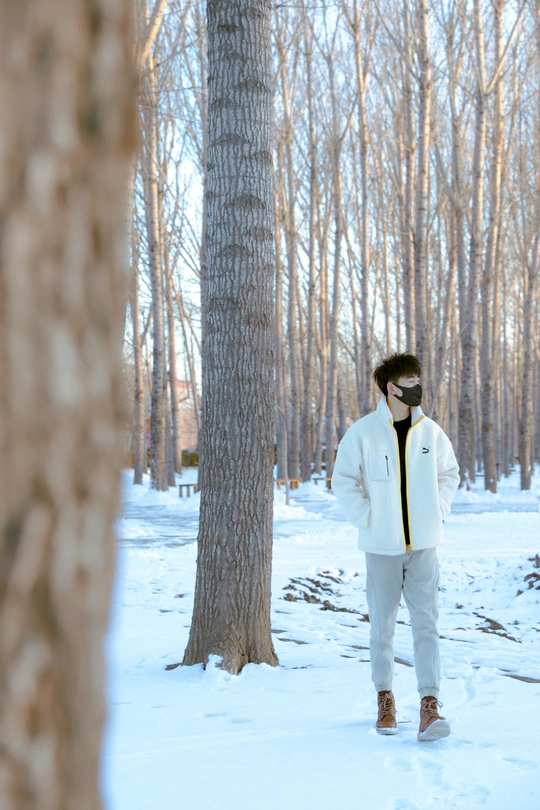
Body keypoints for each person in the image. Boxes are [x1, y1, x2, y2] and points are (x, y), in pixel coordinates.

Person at [331, 352, 459, 742]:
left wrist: (436, 511)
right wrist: (368, 519)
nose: (418, 386)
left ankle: (429, 706)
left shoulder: (430, 432)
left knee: (427, 625)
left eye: (419, 379)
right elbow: (343, 480)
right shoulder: (363, 432)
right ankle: (385, 700)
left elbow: (449, 474)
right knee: (382, 627)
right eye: (410, 381)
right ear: (391, 387)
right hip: (381, 547)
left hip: (424, 546)